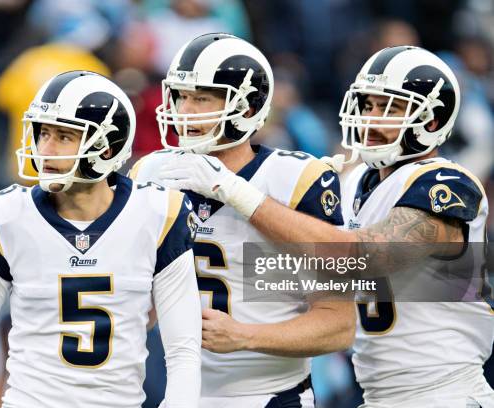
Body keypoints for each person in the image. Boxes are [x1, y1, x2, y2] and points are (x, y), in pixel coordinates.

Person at [161, 45, 494, 407]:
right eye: (368, 105)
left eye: (390, 109)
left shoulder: (447, 182)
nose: (371, 118)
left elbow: (365, 258)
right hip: (379, 394)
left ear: (432, 121)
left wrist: (236, 190)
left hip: (446, 392)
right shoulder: (354, 184)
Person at [0, 71, 202, 407]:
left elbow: (183, 352)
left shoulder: (160, 214)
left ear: (107, 146)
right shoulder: (6, 215)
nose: (45, 148)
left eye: (64, 136)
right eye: (43, 133)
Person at [130, 33, 356, 408]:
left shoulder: (294, 177)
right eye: (181, 96)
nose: (185, 110)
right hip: (180, 395)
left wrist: (246, 335)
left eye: (201, 98)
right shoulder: (151, 172)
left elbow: (339, 325)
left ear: (248, 108)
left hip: (270, 396)